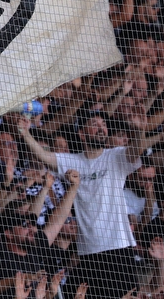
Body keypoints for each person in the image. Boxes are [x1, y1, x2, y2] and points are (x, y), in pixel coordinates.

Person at [16, 108, 146, 299]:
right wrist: (25, 133)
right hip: (88, 250)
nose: (101, 128)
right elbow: (45, 157)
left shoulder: (115, 156)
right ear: (82, 133)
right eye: (94, 125)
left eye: (103, 124)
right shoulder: (73, 161)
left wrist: (140, 130)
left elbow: (136, 151)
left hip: (119, 246)